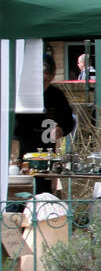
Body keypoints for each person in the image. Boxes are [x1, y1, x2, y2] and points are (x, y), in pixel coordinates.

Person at [11, 54, 76, 199]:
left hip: (46, 155)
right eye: (40, 80)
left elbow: (68, 121)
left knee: (43, 195)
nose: (43, 85)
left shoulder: (56, 95)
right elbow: (13, 124)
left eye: (47, 81)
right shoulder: (22, 93)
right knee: (19, 195)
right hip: (22, 151)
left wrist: (61, 130)